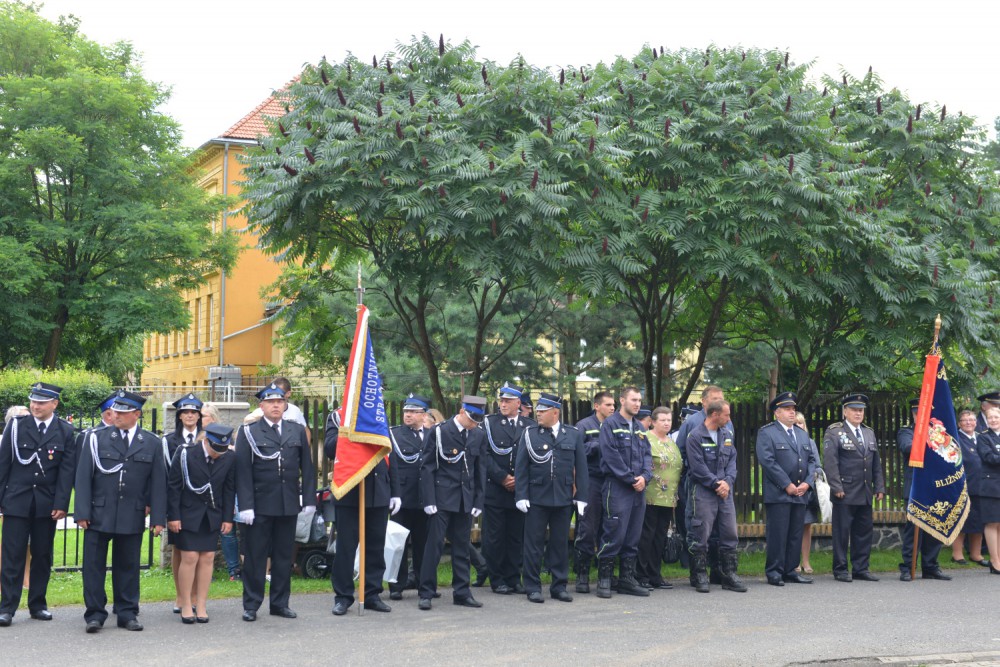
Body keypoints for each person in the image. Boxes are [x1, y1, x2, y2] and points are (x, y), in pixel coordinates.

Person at [75, 390, 167, 632]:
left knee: (128, 565)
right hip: (98, 512)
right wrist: (82, 512)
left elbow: (158, 483)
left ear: (136, 414)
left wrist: (158, 518)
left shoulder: (152, 442)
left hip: (132, 512)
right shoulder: (96, 438)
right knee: (93, 566)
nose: (115, 415)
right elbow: (83, 477)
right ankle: (94, 614)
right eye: (115, 410)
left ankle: (127, 613)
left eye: (122, 412)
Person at [235, 383, 316, 622]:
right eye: (271, 402)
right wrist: (246, 505)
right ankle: (251, 604)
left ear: (285, 404)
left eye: (279, 402)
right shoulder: (249, 431)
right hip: (260, 505)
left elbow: (308, 469)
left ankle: (280, 603)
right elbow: (243, 471)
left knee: (283, 557)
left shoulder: (296, 430)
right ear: (261, 406)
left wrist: (309, 499)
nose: (276, 406)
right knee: (256, 556)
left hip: (288, 503)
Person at [0, 384, 76, 626]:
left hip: (46, 504)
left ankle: (38, 604)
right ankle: (7, 607)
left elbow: (66, 471)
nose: (35, 405)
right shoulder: (16, 426)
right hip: (16, 501)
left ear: (54, 404)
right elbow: (4, 464)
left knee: (42, 555)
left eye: (41, 402)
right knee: (13, 556)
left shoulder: (64, 430)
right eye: (33, 401)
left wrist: (62, 503)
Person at [514, 392, 588, 603]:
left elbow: (581, 468)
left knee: (559, 544)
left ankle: (559, 585)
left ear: (555, 412)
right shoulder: (530, 434)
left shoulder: (572, 434)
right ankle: (532, 586)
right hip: (536, 497)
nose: (538, 414)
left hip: (563, 498)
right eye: (537, 410)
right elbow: (521, 467)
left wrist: (581, 496)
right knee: (533, 545)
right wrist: (521, 494)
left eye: (542, 411)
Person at [417, 396, 487, 611]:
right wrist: (428, 499)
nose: (474, 423)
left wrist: (478, 499)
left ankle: (462, 592)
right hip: (441, 499)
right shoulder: (439, 432)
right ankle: (426, 592)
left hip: (465, 499)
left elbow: (480, 469)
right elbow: (427, 467)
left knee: (462, 549)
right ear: (461, 411)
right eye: (471, 418)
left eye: (477, 420)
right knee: (434, 547)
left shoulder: (478, 434)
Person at [327, 407, 394, 616]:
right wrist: (349, 431)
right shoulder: (338, 417)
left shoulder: (378, 417)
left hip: (378, 491)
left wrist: (395, 492)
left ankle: (372, 594)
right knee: (346, 548)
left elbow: (391, 454)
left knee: (375, 546)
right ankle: (343, 596)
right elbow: (330, 448)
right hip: (350, 490)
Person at [167, 423, 236, 623]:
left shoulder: (229, 457)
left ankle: (202, 604)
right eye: (215, 449)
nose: (218, 454)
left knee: (207, 557)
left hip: (212, 514)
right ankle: (186, 604)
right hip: (187, 514)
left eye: (222, 450)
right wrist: (173, 516)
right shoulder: (186, 453)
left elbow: (229, 489)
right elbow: (174, 486)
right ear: (206, 441)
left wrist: (227, 518)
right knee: (189, 557)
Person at [595, 386, 652, 599]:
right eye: (634, 399)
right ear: (622, 400)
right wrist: (630, 478)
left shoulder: (640, 427)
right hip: (618, 487)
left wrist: (645, 477)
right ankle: (605, 580)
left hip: (638, 489)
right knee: (614, 531)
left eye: (639, 400)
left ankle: (627, 579)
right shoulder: (610, 425)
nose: (637, 403)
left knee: (633, 534)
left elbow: (648, 455)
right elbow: (611, 457)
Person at [755, 392, 817, 586]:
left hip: (800, 492)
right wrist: (787, 484)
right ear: (777, 413)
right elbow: (768, 461)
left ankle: (791, 569)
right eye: (787, 409)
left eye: (793, 409)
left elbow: (812, 460)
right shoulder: (768, 432)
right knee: (778, 534)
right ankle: (774, 571)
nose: (792, 412)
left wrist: (807, 483)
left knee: (795, 533)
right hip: (779, 493)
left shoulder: (801, 433)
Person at [685, 400, 746, 593]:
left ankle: (728, 574)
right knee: (700, 532)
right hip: (704, 490)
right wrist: (715, 483)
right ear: (714, 415)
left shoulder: (726, 435)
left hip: (724, 491)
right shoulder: (695, 436)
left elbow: (732, 462)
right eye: (726, 415)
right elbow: (697, 467)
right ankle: (699, 574)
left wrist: (727, 482)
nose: (729, 419)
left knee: (729, 532)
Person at [822, 393, 885, 583]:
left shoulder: (868, 432)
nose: (858, 413)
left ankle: (861, 568)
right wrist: (836, 487)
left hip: (864, 490)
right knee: (842, 533)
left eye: (861, 410)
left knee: (863, 532)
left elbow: (876, 463)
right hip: (845, 490)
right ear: (845, 412)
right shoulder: (834, 432)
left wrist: (879, 486)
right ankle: (840, 569)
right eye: (854, 410)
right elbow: (830, 462)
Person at [482, 382, 534, 595]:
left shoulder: (528, 425)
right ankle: (497, 579)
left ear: (518, 403)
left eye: (507, 401)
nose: (502, 404)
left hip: (518, 491)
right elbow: (484, 454)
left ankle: (513, 578)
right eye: (501, 400)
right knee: (495, 537)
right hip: (495, 489)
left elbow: (533, 457)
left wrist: (518, 480)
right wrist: (503, 477)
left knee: (515, 537)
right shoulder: (489, 423)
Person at [675, 385, 727, 582]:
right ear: (704, 402)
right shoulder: (692, 423)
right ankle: (698, 572)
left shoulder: (726, 422)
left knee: (719, 529)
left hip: (721, 485)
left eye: (721, 398)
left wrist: (725, 481)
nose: (719, 402)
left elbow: (730, 454)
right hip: (698, 483)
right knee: (699, 527)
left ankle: (718, 570)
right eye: (715, 398)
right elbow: (680, 452)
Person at [897, 398, 950, 581]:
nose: (922, 416)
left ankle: (930, 567)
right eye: (918, 412)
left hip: (935, 487)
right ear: (914, 414)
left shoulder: (938, 433)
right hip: (916, 488)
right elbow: (908, 447)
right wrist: (930, 444)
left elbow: (947, 452)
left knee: (934, 527)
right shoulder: (906, 431)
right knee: (913, 531)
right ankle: (907, 567)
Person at [387, 394, 432, 601]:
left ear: (424, 415)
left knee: (424, 544)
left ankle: (425, 584)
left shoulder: (432, 434)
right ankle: (396, 585)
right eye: (406, 411)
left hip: (425, 499)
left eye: (414, 412)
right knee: (399, 544)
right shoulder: (394, 434)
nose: (408, 415)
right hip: (402, 499)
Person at [163, 393, 204, 613]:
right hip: (178, 503)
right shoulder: (168, 441)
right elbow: (164, 476)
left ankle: (196, 596)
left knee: (199, 553)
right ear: (179, 416)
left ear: (199, 416)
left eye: (193, 412)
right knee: (180, 550)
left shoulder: (207, 438)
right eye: (185, 412)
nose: (190, 416)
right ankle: (181, 596)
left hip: (201, 504)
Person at [636, 407, 682, 590]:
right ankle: (641, 574)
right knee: (646, 536)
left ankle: (655, 574)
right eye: (662, 420)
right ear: (652, 422)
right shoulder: (646, 439)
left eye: (669, 420)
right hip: (650, 495)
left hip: (668, 497)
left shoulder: (671, 442)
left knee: (660, 537)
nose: (666, 423)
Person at [953, 409, 988, 566]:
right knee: (961, 522)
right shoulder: (955, 439)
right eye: (965, 420)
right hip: (962, 487)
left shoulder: (982, 438)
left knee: (979, 522)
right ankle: (957, 554)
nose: (969, 422)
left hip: (982, 487)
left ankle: (976, 554)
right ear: (959, 423)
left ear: (976, 422)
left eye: (972, 420)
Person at [250, 377, 311, 444]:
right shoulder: (260, 411)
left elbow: (305, 431)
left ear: (288, 394)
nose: (275, 405)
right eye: (271, 401)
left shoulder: (295, 410)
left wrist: (304, 450)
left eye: (279, 401)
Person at [976, 406, 1000, 574]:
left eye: (996, 417)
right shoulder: (983, 438)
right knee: (992, 523)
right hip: (991, 486)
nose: (993, 420)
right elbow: (988, 458)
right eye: (990, 417)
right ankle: (994, 560)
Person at [796, 411, 820, 575]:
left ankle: (805, 561)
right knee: (793, 528)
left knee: (806, 528)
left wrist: (807, 483)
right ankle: (793, 561)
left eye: (801, 423)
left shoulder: (810, 443)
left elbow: (817, 466)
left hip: (807, 491)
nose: (799, 426)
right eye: (796, 423)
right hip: (790, 491)